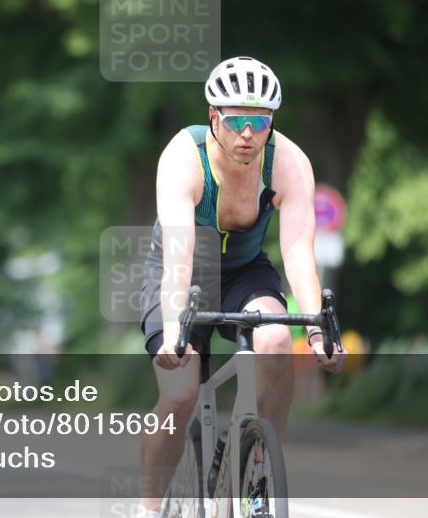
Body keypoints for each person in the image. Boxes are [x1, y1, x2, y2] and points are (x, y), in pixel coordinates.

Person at [136, 56, 347, 517]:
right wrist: (175, 329)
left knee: (274, 338)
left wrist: (316, 333)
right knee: (179, 392)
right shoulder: (182, 157)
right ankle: (148, 509)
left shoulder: (288, 164)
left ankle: (255, 474)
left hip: (246, 269)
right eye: (236, 122)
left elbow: (297, 253)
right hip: (182, 269)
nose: (248, 134)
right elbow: (179, 253)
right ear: (213, 116)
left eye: (260, 121)